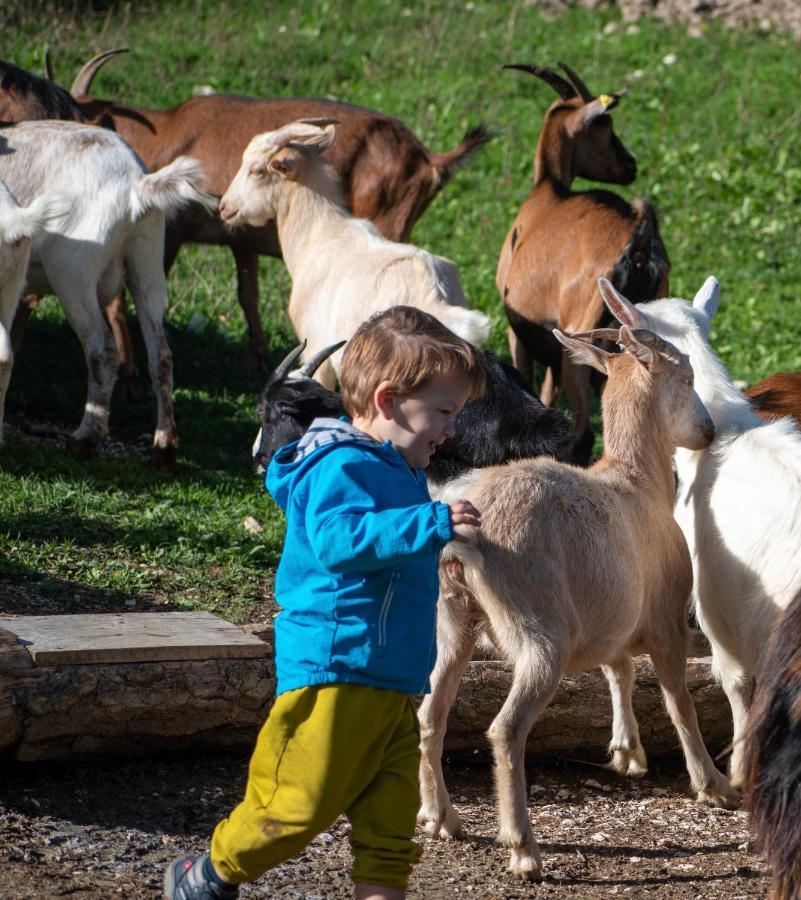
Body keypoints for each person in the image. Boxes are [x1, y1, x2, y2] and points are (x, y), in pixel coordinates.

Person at [164, 305, 486, 900]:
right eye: (443, 412)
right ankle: (209, 873)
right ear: (388, 401)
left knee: (390, 829)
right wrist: (428, 525)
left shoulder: (401, 468)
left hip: (393, 684)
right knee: (296, 808)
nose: (451, 429)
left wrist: (435, 538)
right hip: (334, 673)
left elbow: (386, 558)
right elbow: (341, 543)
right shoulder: (338, 465)